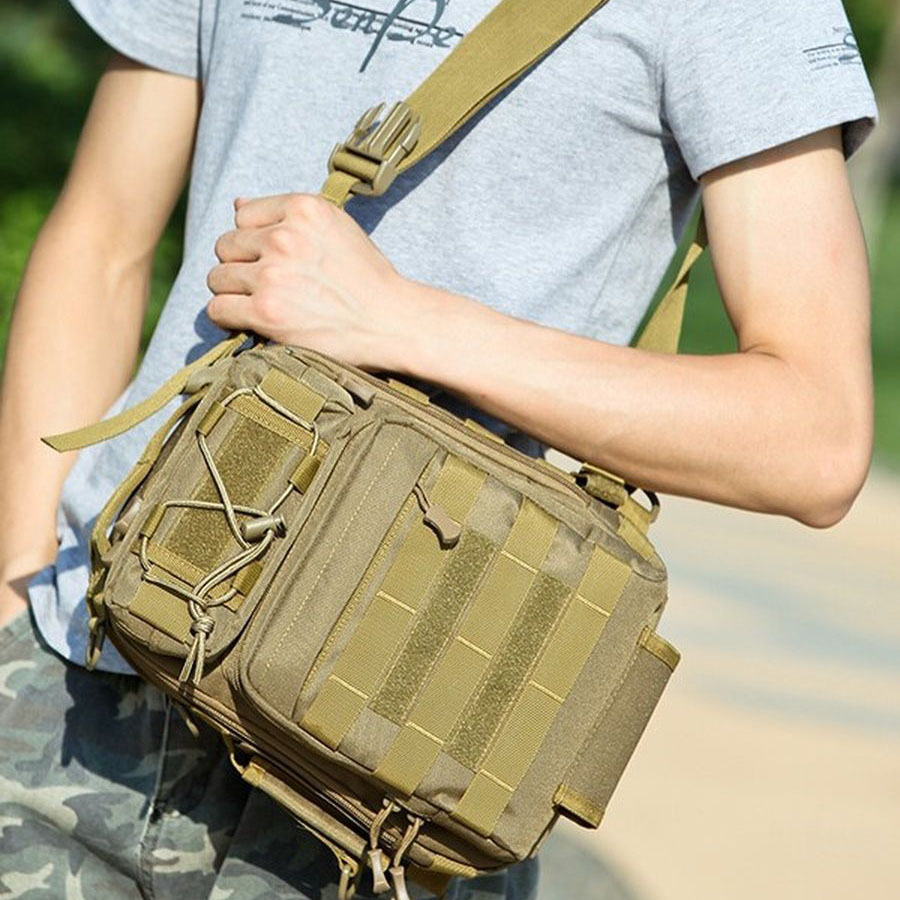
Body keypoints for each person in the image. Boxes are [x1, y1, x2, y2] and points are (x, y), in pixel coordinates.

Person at [0, 0, 878, 896]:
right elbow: (103, 235)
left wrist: (401, 321)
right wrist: (17, 581)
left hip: (391, 766)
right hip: (78, 662)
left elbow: (814, 438)